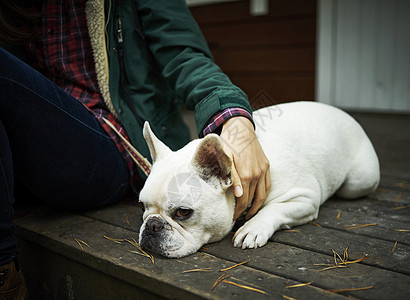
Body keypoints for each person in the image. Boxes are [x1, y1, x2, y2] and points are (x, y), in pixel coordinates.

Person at [0, 0, 270, 298]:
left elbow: (184, 53)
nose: (151, 226)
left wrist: (233, 117)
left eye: (181, 212)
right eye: (145, 210)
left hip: (114, 146)